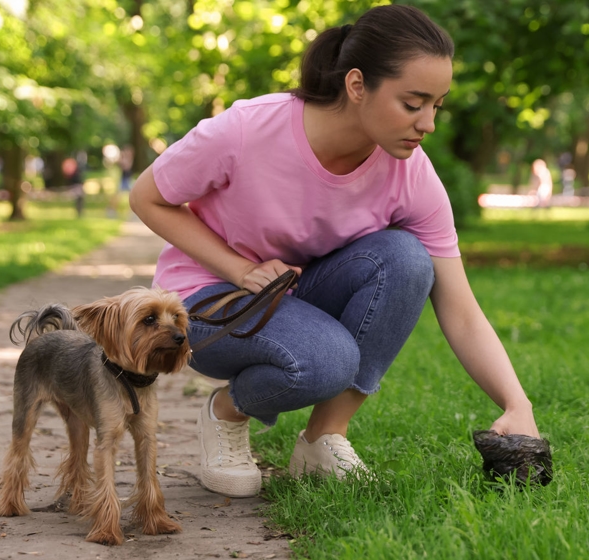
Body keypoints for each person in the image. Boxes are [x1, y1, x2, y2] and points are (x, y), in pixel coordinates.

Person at [130, 4, 540, 498]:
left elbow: (461, 307)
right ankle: (226, 413)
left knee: (408, 260)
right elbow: (147, 196)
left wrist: (518, 405)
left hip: (293, 297)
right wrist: (240, 269)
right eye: (413, 103)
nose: (428, 123)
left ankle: (324, 436)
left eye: (438, 105)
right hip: (204, 302)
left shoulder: (411, 175)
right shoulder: (248, 129)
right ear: (356, 85)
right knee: (326, 360)